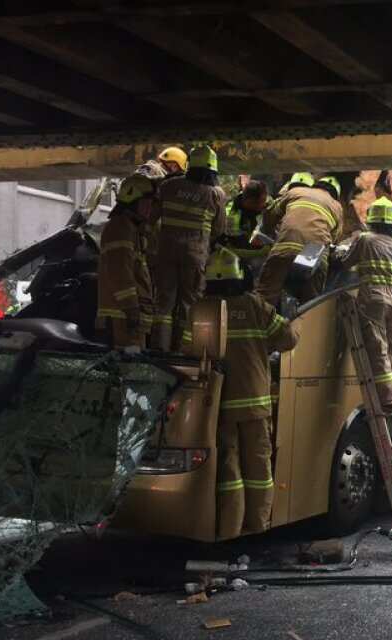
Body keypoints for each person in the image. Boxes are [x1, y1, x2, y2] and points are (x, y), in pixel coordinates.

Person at [203, 247, 299, 538]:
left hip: (221, 403)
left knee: (228, 468)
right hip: (256, 403)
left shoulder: (203, 308)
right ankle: (257, 527)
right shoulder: (256, 306)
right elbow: (289, 339)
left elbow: (188, 349)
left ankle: (230, 529)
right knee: (258, 466)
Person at [150, 145, 227, 351]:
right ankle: (182, 351)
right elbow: (219, 230)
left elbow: (151, 217)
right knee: (189, 306)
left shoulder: (169, 186)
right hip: (195, 257)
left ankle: (160, 350)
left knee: (164, 304)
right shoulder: (215, 194)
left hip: (166, 253)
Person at [334, 197, 392, 413]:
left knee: (378, 347)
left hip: (373, 296)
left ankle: (388, 398)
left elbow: (346, 262)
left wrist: (337, 253)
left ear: (372, 221)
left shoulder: (366, 239)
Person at [257, 174, 343, 307]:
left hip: (286, 246)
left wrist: (272, 231)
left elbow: (270, 217)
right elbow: (334, 239)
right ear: (335, 194)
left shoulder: (295, 192)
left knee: (266, 294)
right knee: (310, 304)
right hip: (314, 251)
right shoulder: (337, 207)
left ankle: (261, 321)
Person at [96, 174, 157, 349]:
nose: (149, 208)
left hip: (128, 320)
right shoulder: (120, 227)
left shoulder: (132, 229)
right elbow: (120, 272)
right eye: (146, 203)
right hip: (120, 320)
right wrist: (131, 309)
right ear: (132, 200)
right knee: (127, 372)